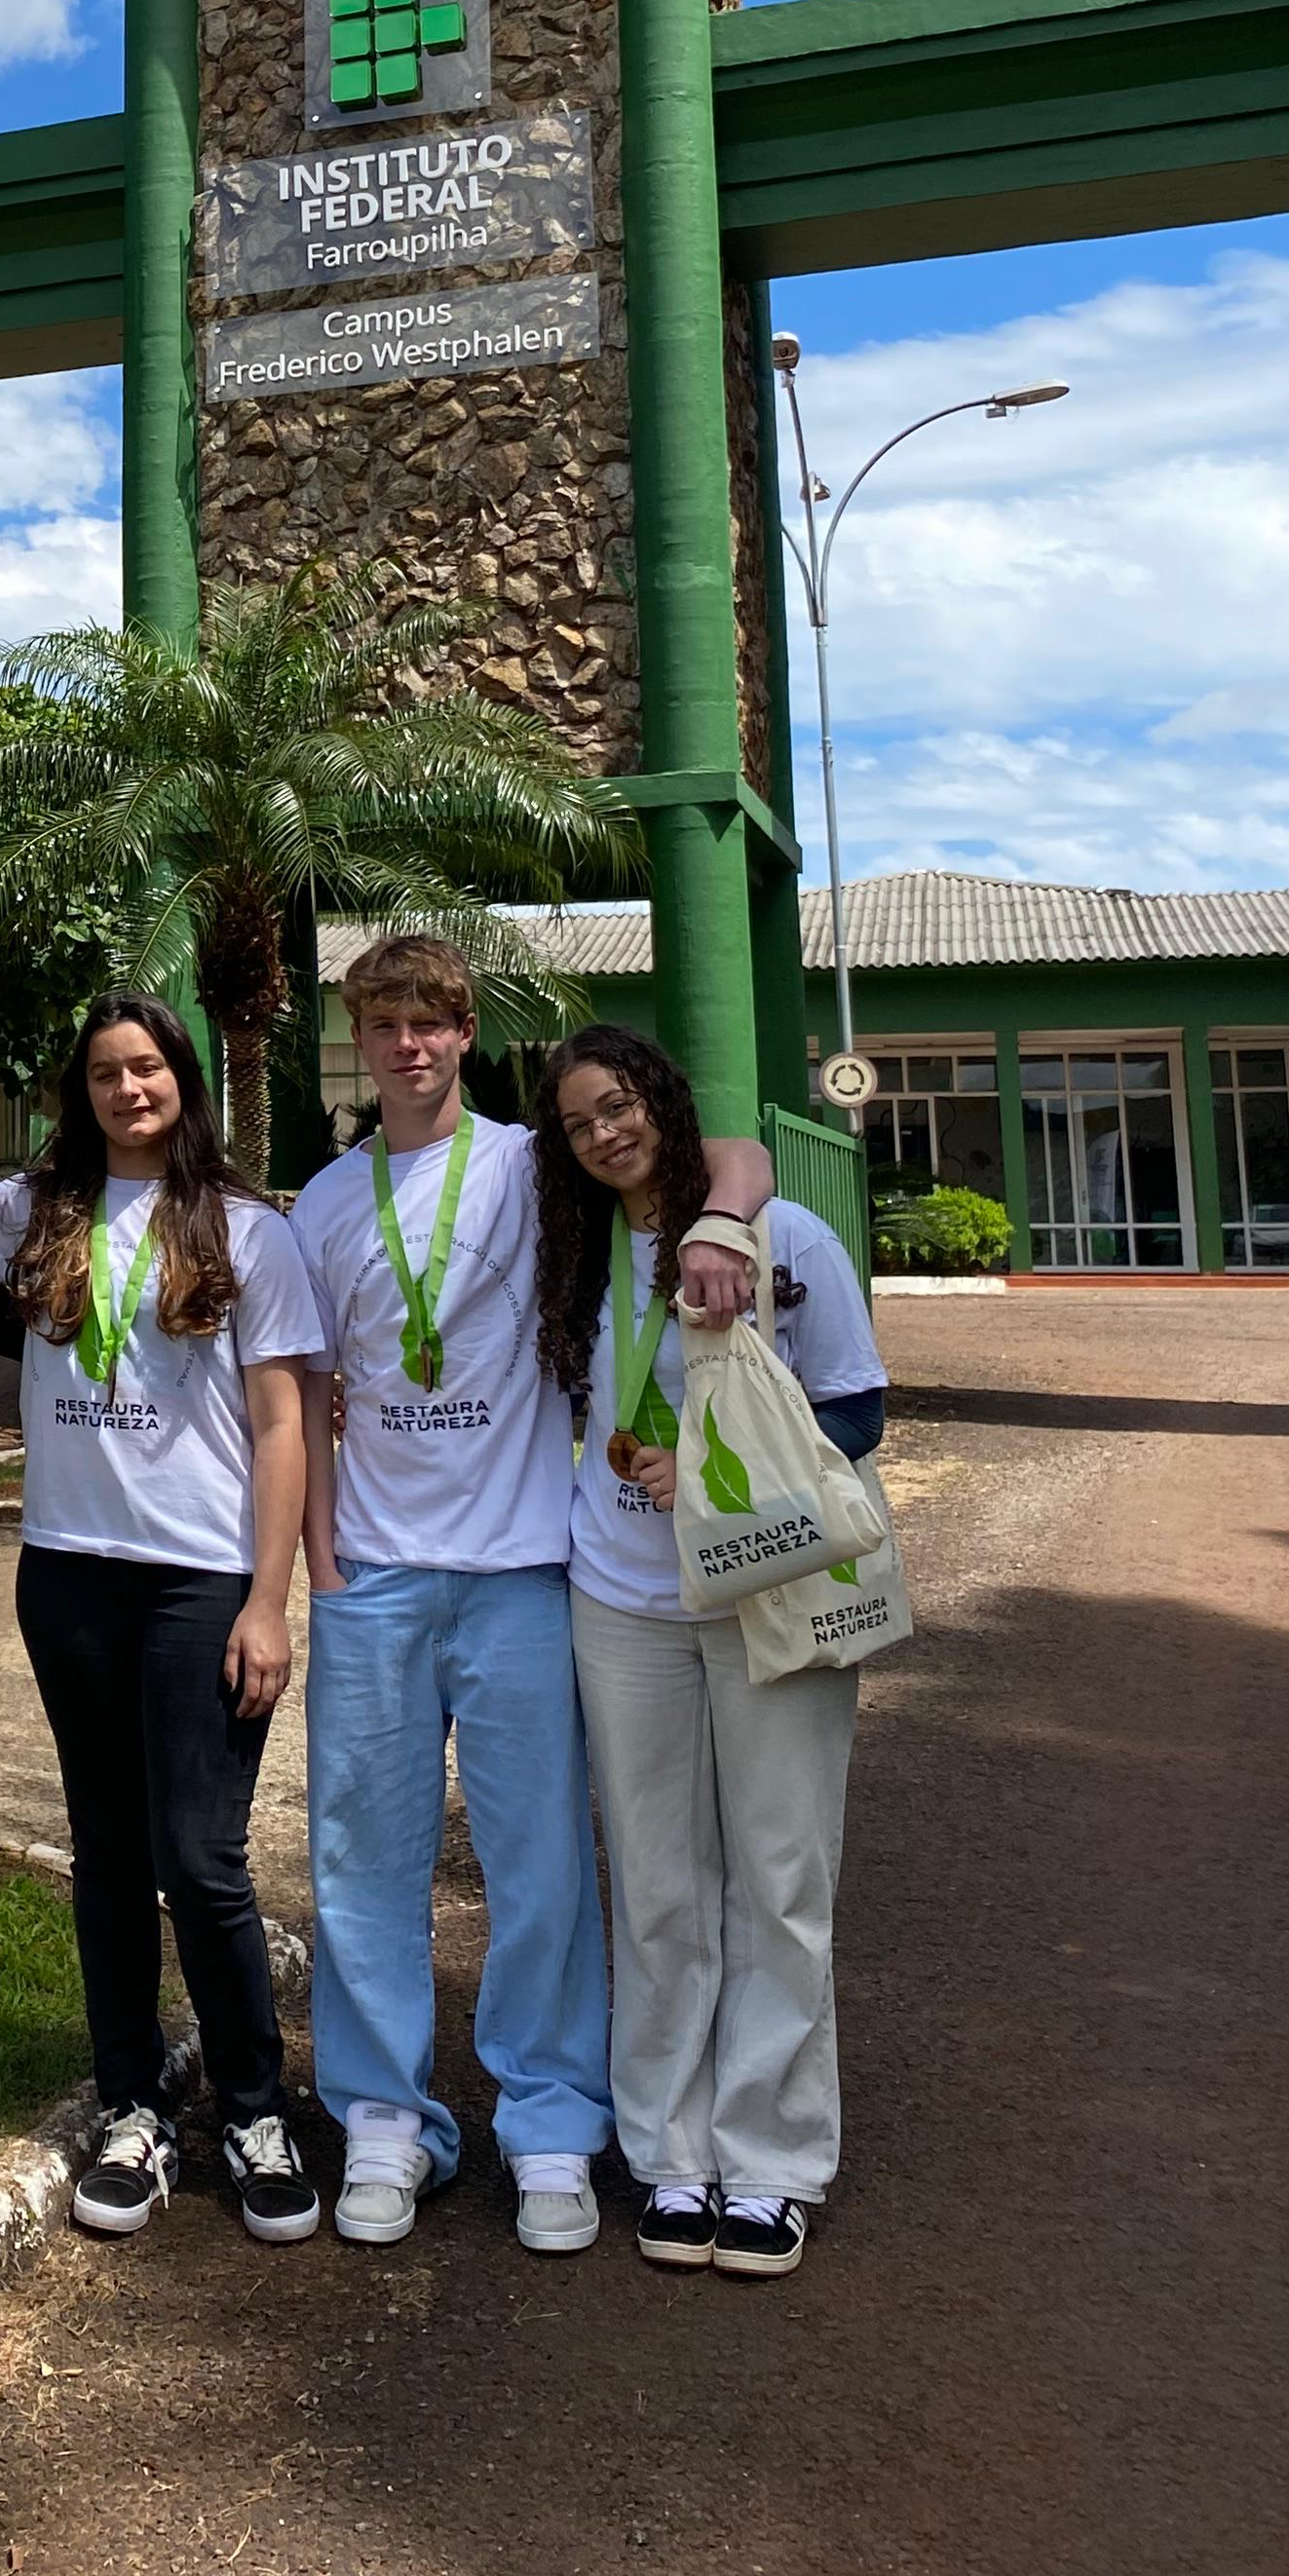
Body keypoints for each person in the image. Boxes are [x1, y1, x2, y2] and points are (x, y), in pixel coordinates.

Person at [291, 932, 771, 2259]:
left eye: (432, 1022)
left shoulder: (529, 1164)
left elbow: (722, 1155)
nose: (409, 1045)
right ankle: (384, 2116)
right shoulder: (326, 1203)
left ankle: (551, 2118)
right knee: (360, 1856)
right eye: (384, 1025)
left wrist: (723, 1217)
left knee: (541, 1860)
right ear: (358, 1042)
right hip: (376, 1578)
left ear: (465, 1033)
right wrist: (322, 1560)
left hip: (520, 1574)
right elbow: (311, 1393)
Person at [0, 993, 326, 2249]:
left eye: (149, 1067)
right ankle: (132, 2106)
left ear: (184, 1080)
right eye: (106, 1072)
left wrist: (268, 1600)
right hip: (69, 1574)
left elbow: (281, 1424)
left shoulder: (247, 1229)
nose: (129, 1089)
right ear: (83, 1090)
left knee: (201, 1859)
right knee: (108, 1854)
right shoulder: (34, 1207)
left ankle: (257, 2110)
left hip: (200, 1581)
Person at [534, 1020, 888, 2281]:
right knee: (656, 1885)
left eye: (619, 1103)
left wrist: (716, 1473)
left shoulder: (781, 1238)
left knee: (780, 1880)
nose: (605, 1132)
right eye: (579, 1121)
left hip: (769, 1599)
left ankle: (775, 2162)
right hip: (622, 1604)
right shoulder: (574, 1253)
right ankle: (671, 2153)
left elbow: (856, 1410)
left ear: (663, 1099)